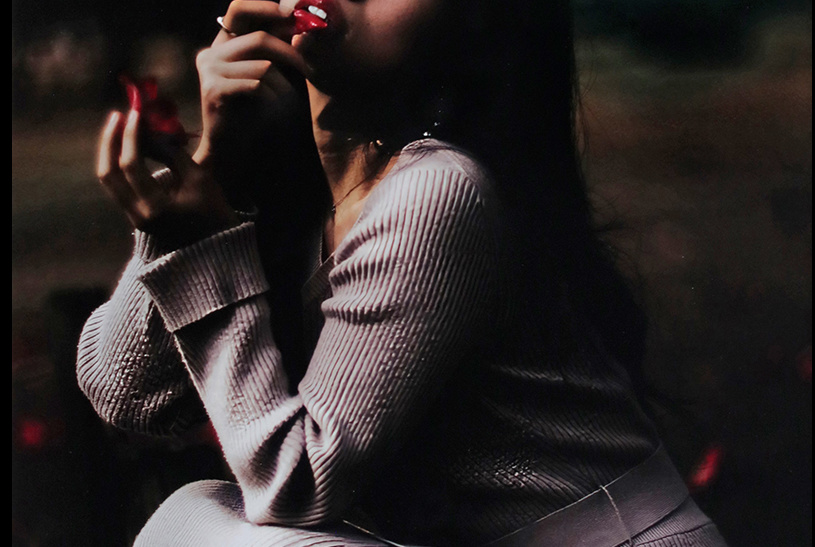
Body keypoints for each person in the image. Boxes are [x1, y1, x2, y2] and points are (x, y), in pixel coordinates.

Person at [77, 0, 728, 545]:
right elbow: (126, 395)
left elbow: (295, 486)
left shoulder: (439, 191)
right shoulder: (295, 192)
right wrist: (216, 167)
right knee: (196, 518)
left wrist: (201, 246)